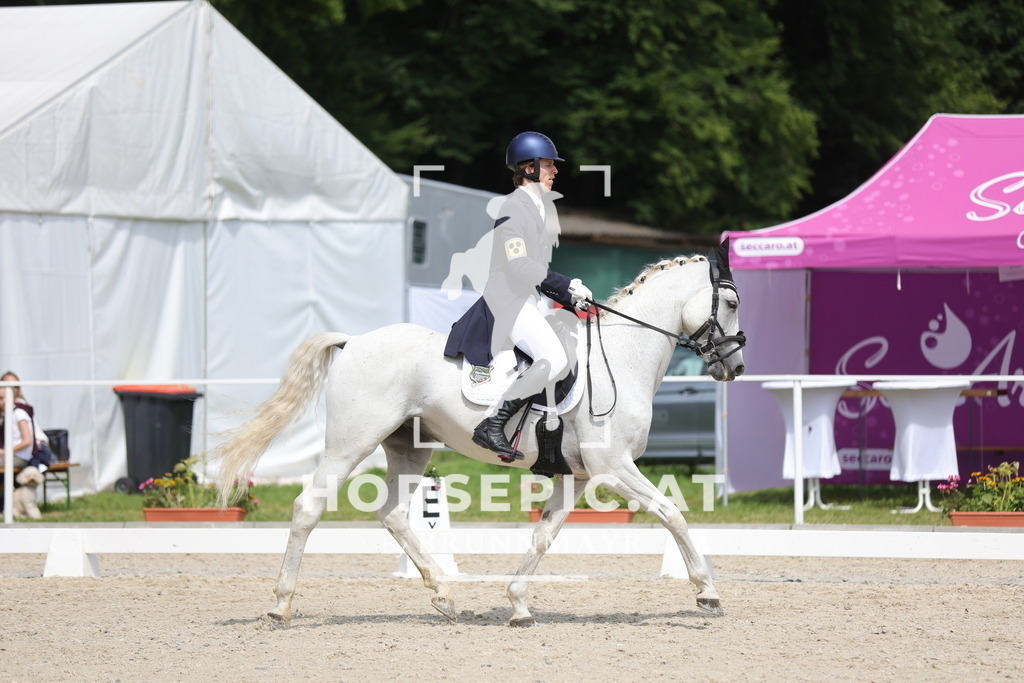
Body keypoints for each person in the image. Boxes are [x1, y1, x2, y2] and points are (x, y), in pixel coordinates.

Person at [444, 132, 593, 461]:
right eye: (549, 165)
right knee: (553, 358)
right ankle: (493, 424)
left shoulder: (535, 208)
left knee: (568, 344)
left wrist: (569, 296)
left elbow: (535, 269)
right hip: (507, 301)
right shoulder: (515, 207)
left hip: (525, 299)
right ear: (528, 169)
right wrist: (565, 285)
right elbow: (519, 264)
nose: (555, 171)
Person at [0, 371, 49, 471]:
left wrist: (6, 451)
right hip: (16, 453)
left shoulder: (20, 410)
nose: (13, 389)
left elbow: (27, 441)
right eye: (8, 385)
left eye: (15, 386)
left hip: (37, 449)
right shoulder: (6, 412)